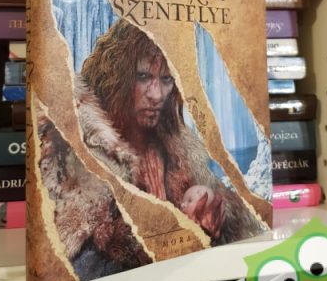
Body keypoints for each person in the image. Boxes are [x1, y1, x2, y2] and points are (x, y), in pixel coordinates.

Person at [75, 18, 264, 244]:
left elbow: (241, 223)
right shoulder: (78, 146)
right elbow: (74, 247)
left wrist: (216, 217)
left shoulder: (179, 146)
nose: (157, 95)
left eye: (166, 79)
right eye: (143, 76)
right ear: (116, 76)